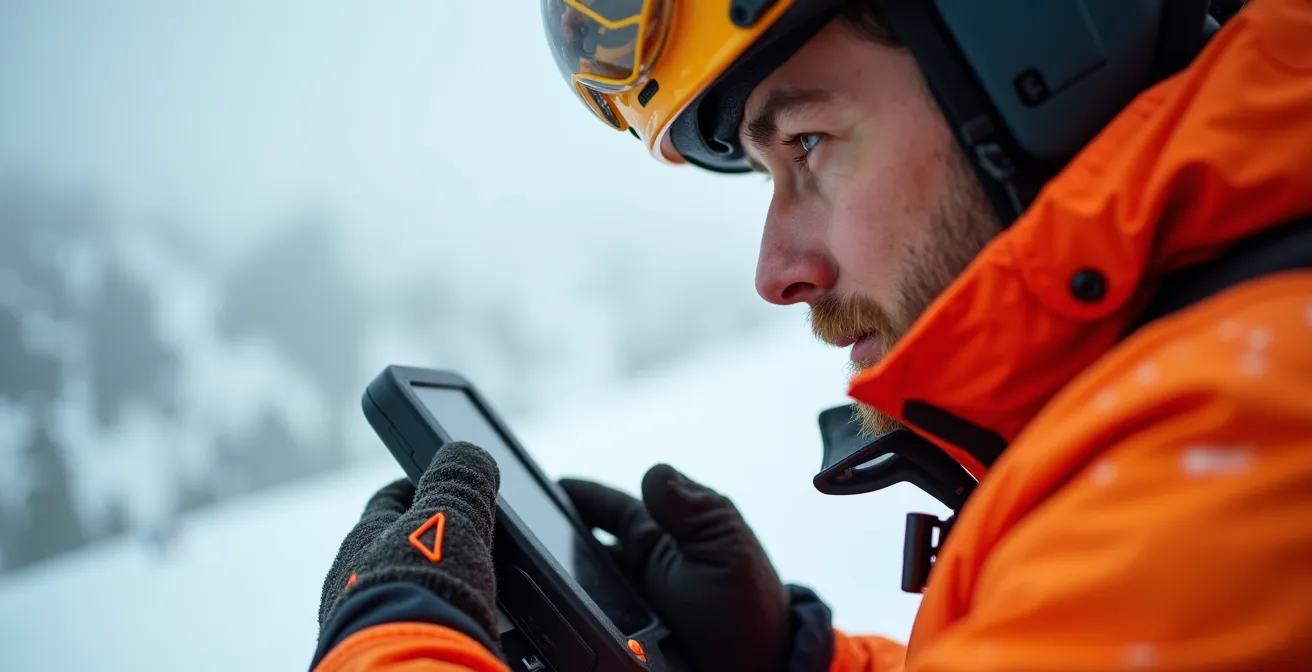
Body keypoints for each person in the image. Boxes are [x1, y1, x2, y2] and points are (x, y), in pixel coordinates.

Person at [311, 0, 1312, 670]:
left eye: (809, 143)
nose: (776, 268)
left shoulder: (1232, 436)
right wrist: (789, 661)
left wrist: (399, 644)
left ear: (1033, 54)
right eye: (767, 169)